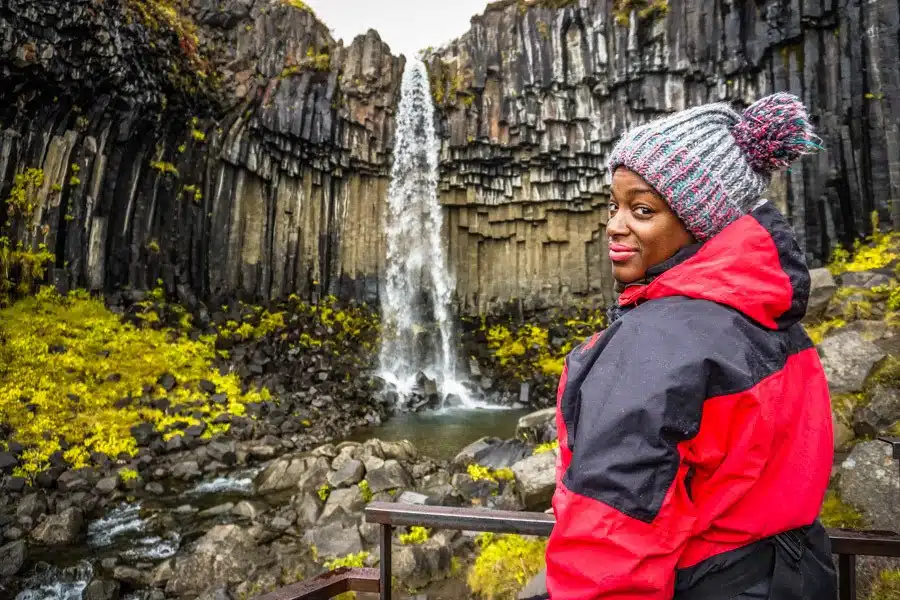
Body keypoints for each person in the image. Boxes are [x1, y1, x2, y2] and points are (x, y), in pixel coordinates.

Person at [544, 93, 838, 600]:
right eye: (613, 206)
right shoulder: (773, 320)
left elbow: (609, 547)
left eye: (641, 209)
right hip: (795, 576)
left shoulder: (655, 345)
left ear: (698, 219)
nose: (614, 225)